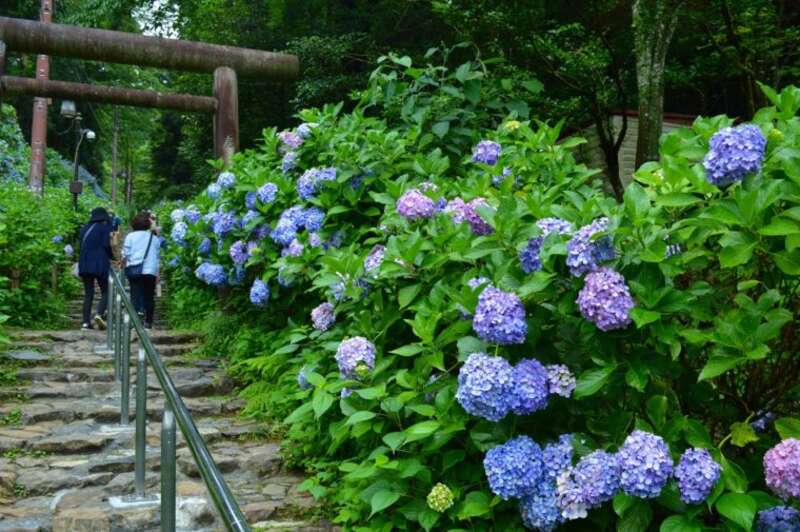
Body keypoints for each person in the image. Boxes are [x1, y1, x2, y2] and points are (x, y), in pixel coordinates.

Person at [122, 212, 161, 329]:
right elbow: (157, 255)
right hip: (150, 270)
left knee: (135, 295)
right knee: (149, 296)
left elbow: (126, 253)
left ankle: (134, 322)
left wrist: (126, 261)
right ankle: (148, 322)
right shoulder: (154, 238)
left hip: (134, 269)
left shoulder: (130, 236)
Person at [78, 207, 114, 330]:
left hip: (84, 263)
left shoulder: (83, 229)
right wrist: (113, 257)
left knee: (88, 293)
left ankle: (85, 323)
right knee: (106, 290)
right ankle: (99, 313)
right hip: (100, 262)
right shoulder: (104, 228)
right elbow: (106, 245)